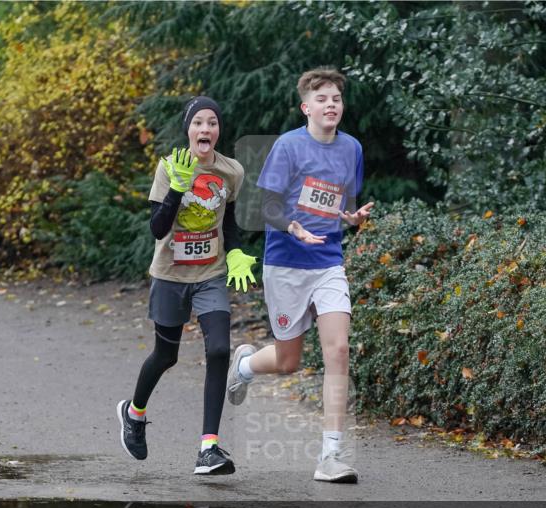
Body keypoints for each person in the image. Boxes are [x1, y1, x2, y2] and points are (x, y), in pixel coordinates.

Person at [225, 68, 373, 483]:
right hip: (286, 265)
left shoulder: (351, 149)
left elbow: (340, 204)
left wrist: (351, 217)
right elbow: (268, 206)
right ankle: (246, 366)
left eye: (337, 99)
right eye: (322, 98)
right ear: (306, 107)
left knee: (338, 350)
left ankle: (331, 457)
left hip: (328, 263)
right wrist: (293, 226)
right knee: (288, 361)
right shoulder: (288, 147)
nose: (331, 105)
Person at [117, 96, 257, 475]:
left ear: (218, 130)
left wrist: (236, 252)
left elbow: (228, 222)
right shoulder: (170, 168)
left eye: (212, 122)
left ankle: (208, 448)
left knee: (219, 350)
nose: (205, 129)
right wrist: (177, 190)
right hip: (170, 273)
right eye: (198, 123)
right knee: (167, 356)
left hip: (209, 273)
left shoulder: (231, 171)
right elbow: (157, 229)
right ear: (189, 130)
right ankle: (134, 412)